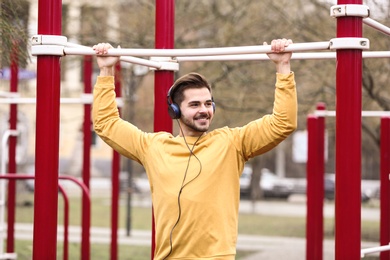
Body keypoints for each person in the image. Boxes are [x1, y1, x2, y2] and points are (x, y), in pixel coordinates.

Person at [92, 39, 297, 260]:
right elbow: (106, 124)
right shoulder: (154, 147)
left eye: (208, 104)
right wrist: (106, 70)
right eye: (195, 105)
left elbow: (283, 122)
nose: (204, 110)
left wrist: (283, 67)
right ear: (175, 110)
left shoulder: (231, 143)